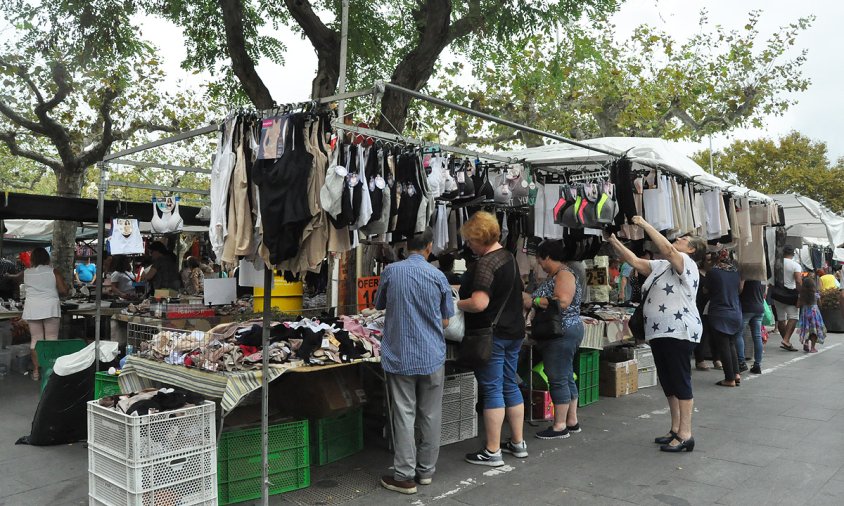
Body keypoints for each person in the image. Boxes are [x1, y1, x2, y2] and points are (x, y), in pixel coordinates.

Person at [607, 217, 706, 453]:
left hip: (678, 331)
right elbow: (633, 261)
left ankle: (686, 434)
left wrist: (644, 224)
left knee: (680, 381)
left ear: (692, 249)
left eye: (685, 239)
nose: (679, 239)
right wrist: (611, 239)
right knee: (669, 381)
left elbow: (668, 249)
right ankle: (675, 428)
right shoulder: (663, 266)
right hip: (660, 332)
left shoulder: (686, 262)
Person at [373, 228, 453, 495]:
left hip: (400, 354)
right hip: (432, 355)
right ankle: (426, 471)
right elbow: (446, 320)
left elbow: (379, 304)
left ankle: (404, 475)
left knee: (404, 414)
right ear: (429, 247)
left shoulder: (392, 272)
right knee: (430, 414)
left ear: (407, 247)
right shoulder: (438, 276)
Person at [457, 211, 527, 466]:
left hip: (492, 335)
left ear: (480, 238)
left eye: (471, 240)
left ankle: (493, 450)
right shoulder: (508, 257)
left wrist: (457, 303)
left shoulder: (486, 263)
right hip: (514, 332)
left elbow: (479, 303)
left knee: (492, 390)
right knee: (510, 385)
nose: (469, 245)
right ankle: (518, 443)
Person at [523, 239, 584, 439]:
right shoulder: (557, 274)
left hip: (561, 332)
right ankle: (571, 420)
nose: (539, 263)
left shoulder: (564, 274)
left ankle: (559, 426)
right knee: (565, 375)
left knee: (557, 377)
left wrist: (534, 300)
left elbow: (563, 301)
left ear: (547, 257)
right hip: (565, 331)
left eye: (540, 259)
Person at [6, 248, 69, 381]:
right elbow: (63, 290)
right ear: (47, 258)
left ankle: (36, 371)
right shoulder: (53, 271)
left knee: (36, 339)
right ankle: (51, 371)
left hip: (33, 307)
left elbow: (14, 279)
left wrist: (8, 276)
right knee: (51, 338)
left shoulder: (26, 272)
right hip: (50, 307)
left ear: (32, 259)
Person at [706, 250, 744, 387]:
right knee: (731, 343)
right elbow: (739, 290)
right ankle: (736, 374)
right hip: (735, 312)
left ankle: (729, 379)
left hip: (720, 313)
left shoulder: (713, 272)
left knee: (723, 346)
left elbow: (707, 290)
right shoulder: (735, 272)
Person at [774, 245, 802, 351]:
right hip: (790, 294)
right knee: (794, 317)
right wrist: (801, 295)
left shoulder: (775, 264)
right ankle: (786, 340)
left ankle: (787, 342)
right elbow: (799, 281)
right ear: (793, 253)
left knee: (781, 319)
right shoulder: (795, 265)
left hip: (777, 294)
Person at [738, 277, 766, 374]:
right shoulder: (760, 276)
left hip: (746, 307)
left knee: (739, 334)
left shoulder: (745, 275)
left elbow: (740, 289)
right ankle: (757, 365)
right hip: (759, 307)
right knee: (757, 336)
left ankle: (741, 362)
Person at [797, 276, 826, 353]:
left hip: (805, 314)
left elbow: (798, 305)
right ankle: (812, 348)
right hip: (814, 314)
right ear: (813, 286)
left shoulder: (801, 295)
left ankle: (806, 343)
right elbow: (820, 304)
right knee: (814, 330)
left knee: (806, 329)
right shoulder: (816, 294)